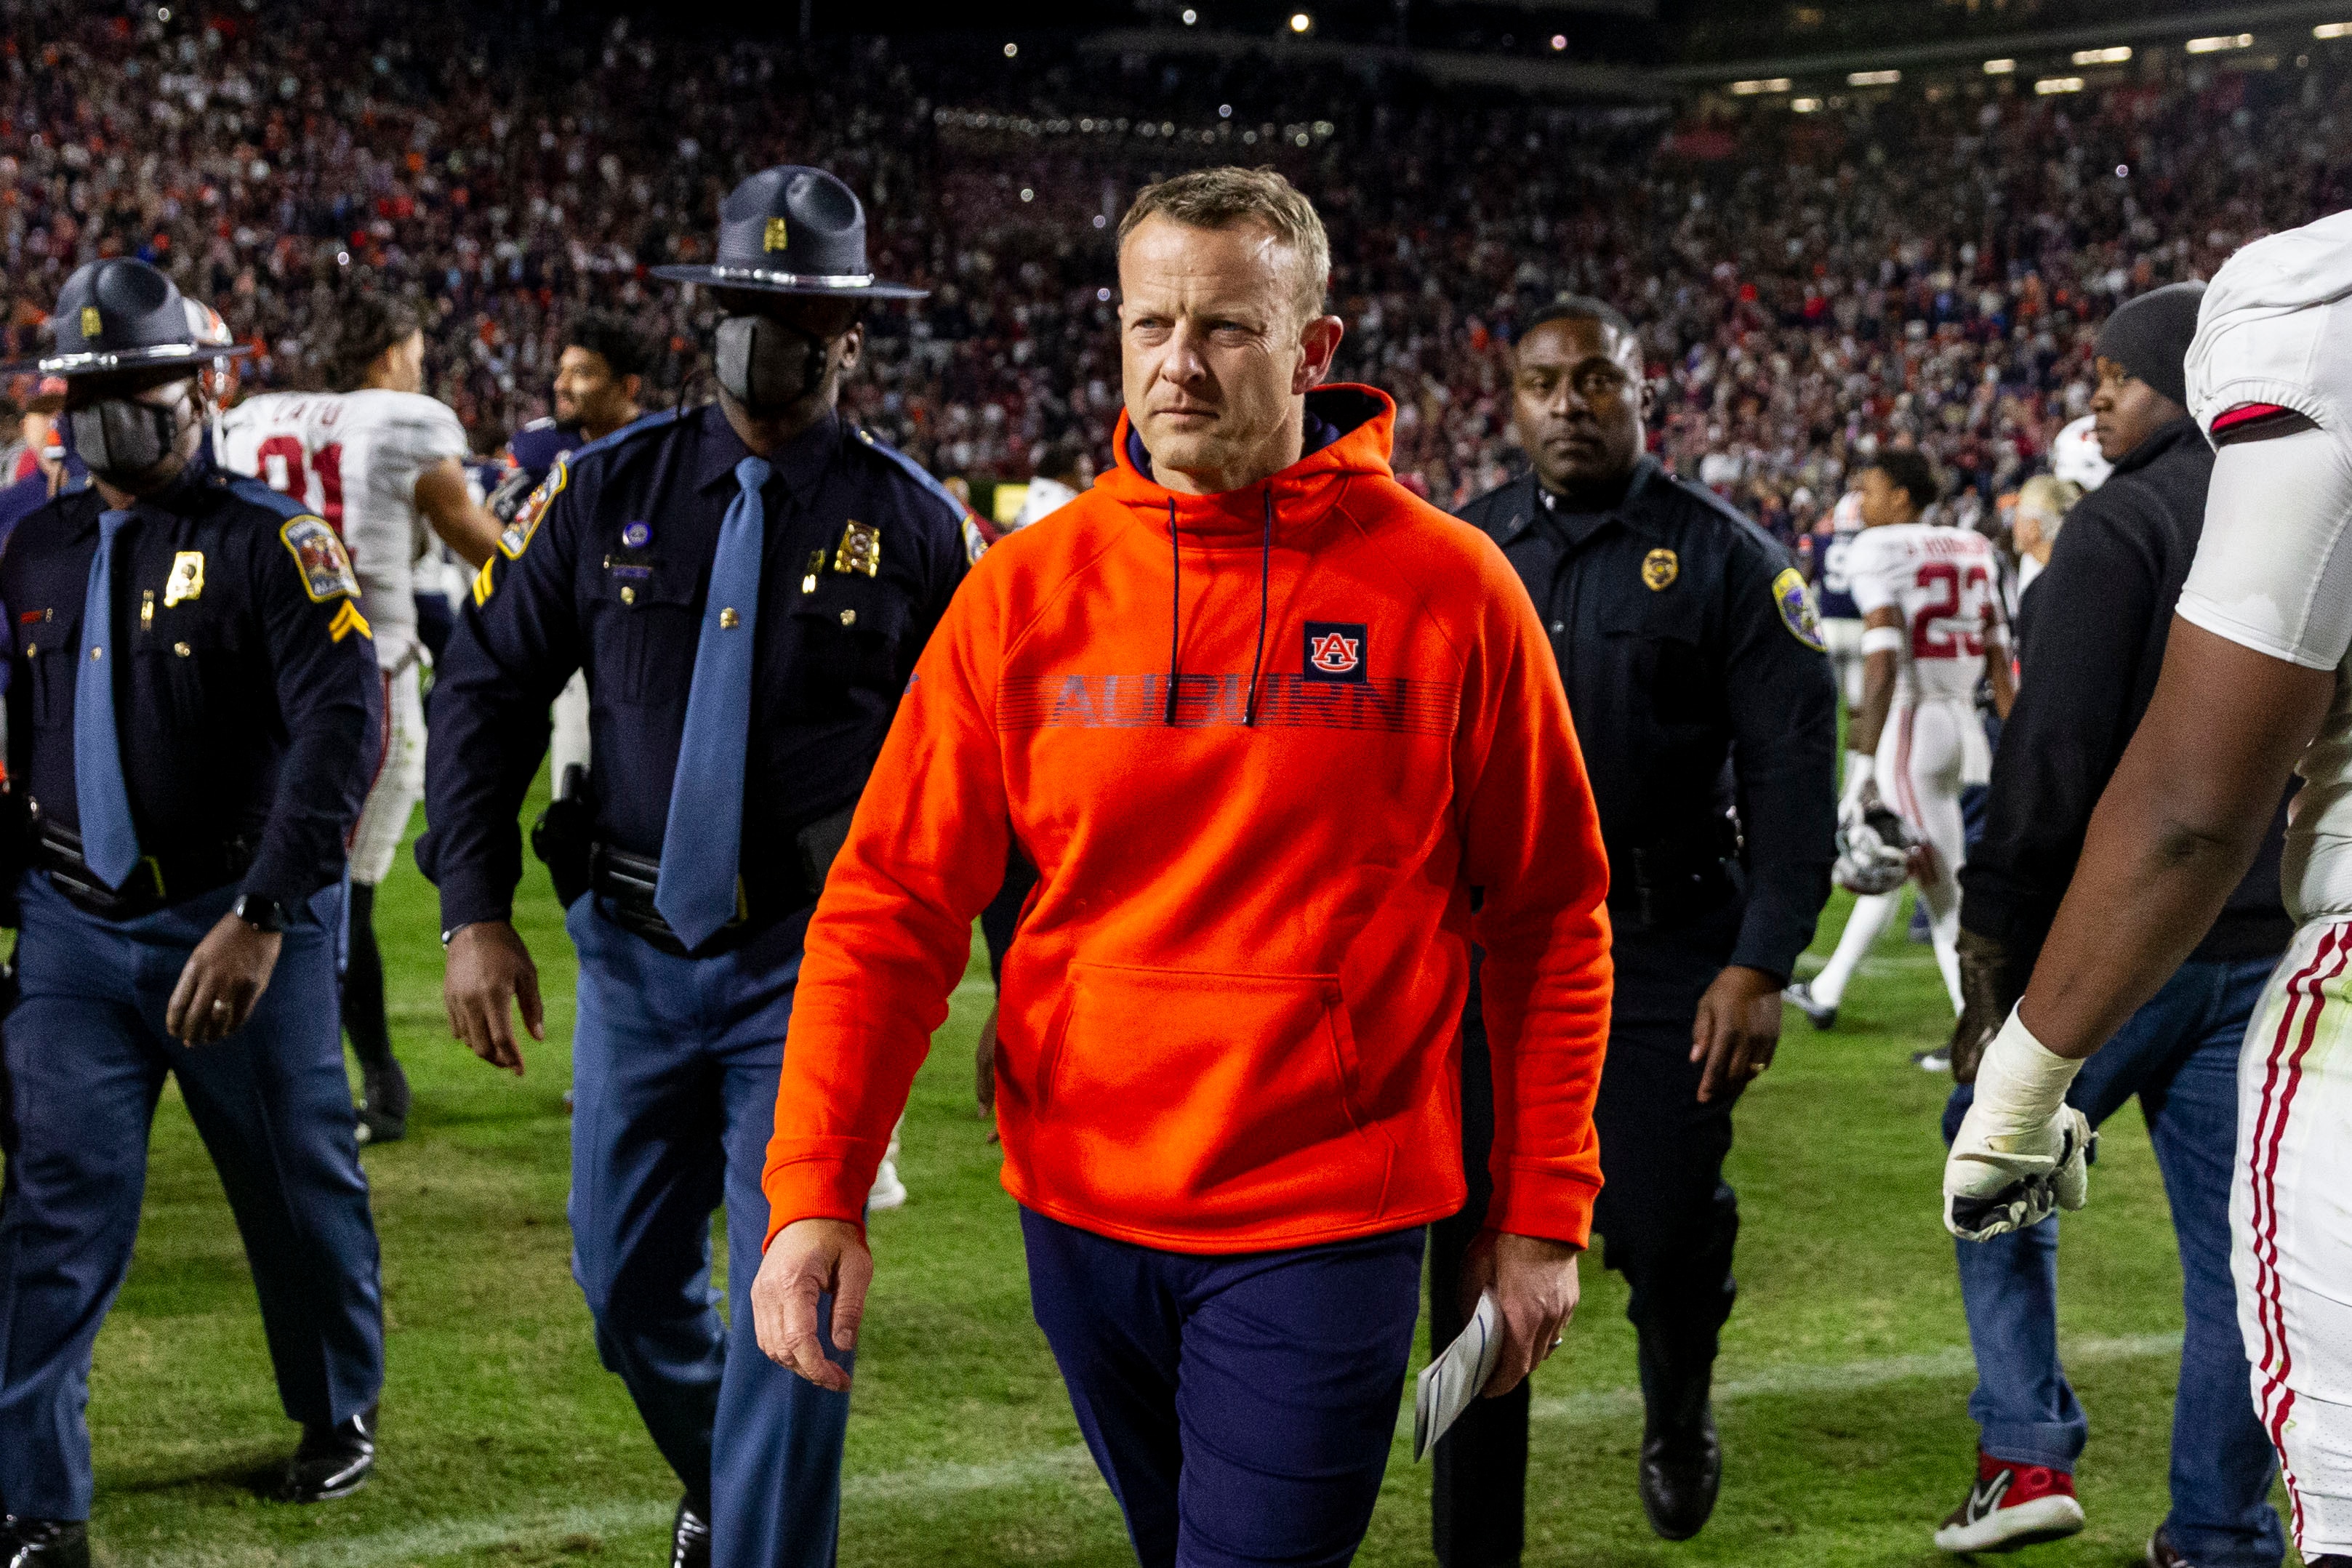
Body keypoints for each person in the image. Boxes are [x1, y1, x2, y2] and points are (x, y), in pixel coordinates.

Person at [753, 165, 1615, 1568]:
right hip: (1079, 1215)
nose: (1179, 363)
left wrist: (1542, 1213)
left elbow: (1548, 920)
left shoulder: (1452, 590)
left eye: (1224, 327)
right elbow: (891, 905)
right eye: (1150, 324)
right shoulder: (1022, 592)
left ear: (1312, 349)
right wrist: (816, 1189)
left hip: (1325, 1217)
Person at [418, 164, 974, 1568]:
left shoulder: (914, 528)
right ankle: (728, 1484)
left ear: (849, 335)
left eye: (785, 311)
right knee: (623, 1292)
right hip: (630, 954)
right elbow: (482, 688)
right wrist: (471, 910)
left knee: (797, 1296)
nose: (753, 331)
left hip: (812, 962)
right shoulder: (601, 493)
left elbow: (989, 766)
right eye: (735, 303)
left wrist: (1016, 966)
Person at [1941, 212, 2352, 1568]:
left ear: (2180, 378)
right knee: (2231, 1262)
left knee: (1990, 1171)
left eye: (2116, 378)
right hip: (2257, 944)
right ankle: (2218, 1527)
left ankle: (2022, 1449)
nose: (2099, 400)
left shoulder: (2125, 521)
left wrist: (2003, 982)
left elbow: (2085, 770)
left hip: (2148, 946)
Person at [1432, 297, 1837, 1557]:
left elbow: (1791, 773)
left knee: (1658, 1222)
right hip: (1486, 963)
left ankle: (1677, 1404)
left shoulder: (1726, 560)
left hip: (1661, 951)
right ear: (1511, 404)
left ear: (1643, 391)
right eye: (1543, 384)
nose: (1568, 404)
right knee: (1469, 1262)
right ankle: (1472, 1540)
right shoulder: (1459, 550)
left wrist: (1761, 959)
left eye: (1595, 380)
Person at [0, 259, 387, 1568]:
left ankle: (337, 1402)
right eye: (91, 389)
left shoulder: (274, 542)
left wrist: (272, 910)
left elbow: (347, 725)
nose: (116, 412)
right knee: (52, 1206)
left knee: (294, 1186)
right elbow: (20, 739)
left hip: (239, 915)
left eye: (141, 386)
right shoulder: (34, 548)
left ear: (201, 385)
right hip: (70, 928)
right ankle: (37, 1497)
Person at [218, 294, 502, 1146]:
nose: (420, 363)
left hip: (264, 683)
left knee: (304, 881)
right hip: (362, 676)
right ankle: (348, 1082)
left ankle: (356, 1077)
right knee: (335, 894)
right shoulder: (406, 421)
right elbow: (470, 537)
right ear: (388, 352)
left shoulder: (253, 416)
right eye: (413, 347)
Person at [1786, 449, 2012, 1038]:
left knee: (1945, 903)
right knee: (1902, 857)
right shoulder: (1971, 546)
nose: (1860, 501)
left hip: (1911, 729)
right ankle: (1828, 988)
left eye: (1872, 489)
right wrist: (2016, 743)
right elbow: (1998, 657)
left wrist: (1860, 767)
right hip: (1961, 723)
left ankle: (1981, 1032)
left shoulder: (1877, 549)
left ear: (1903, 497)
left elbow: (1882, 664)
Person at [495, 310, 657, 794]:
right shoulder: (541, 443)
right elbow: (500, 514)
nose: (561, 384)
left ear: (627, 387)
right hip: (565, 617)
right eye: (562, 369)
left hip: (640, 622)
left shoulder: (660, 448)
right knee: (574, 748)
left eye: (581, 373)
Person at [2008, 473, 2082, 606]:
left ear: (2033, 528)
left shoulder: (2067, 580)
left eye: (2018, 517)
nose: (2014, 526)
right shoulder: (2031, 559)